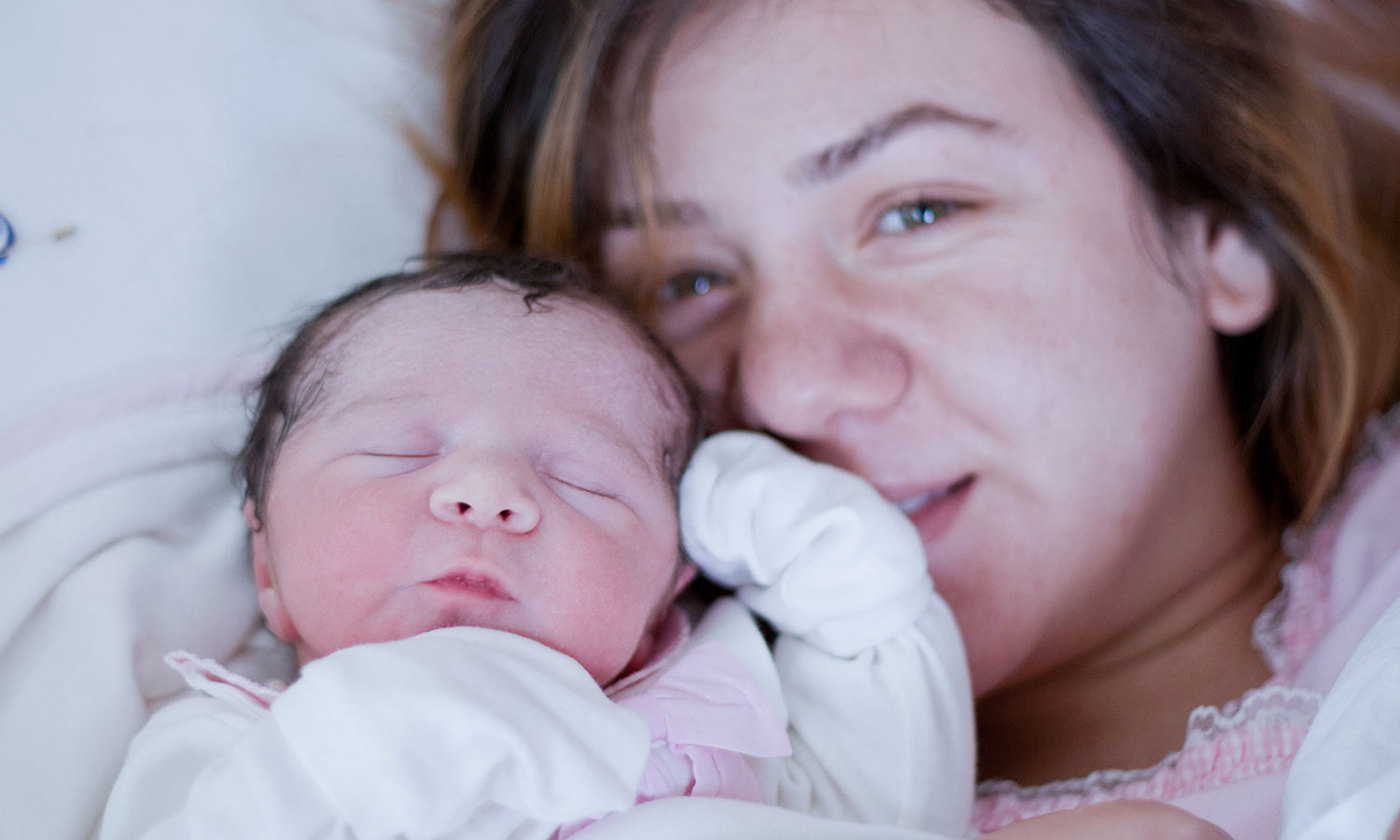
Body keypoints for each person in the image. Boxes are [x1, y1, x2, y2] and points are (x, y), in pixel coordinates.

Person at [436, 1, 1400, 837]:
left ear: (1222, 226)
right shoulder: (554, 775)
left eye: (920, 213)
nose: (787, 386)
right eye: (687, 281)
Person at [97, 252, 980, 840]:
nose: (489, 494)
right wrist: (415, 716)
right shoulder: (231, 752)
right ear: (267, 569)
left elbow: (898, 807)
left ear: (665, 590)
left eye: (586, 481)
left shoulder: (731, 710)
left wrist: (834, 556)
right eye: (397, 452)